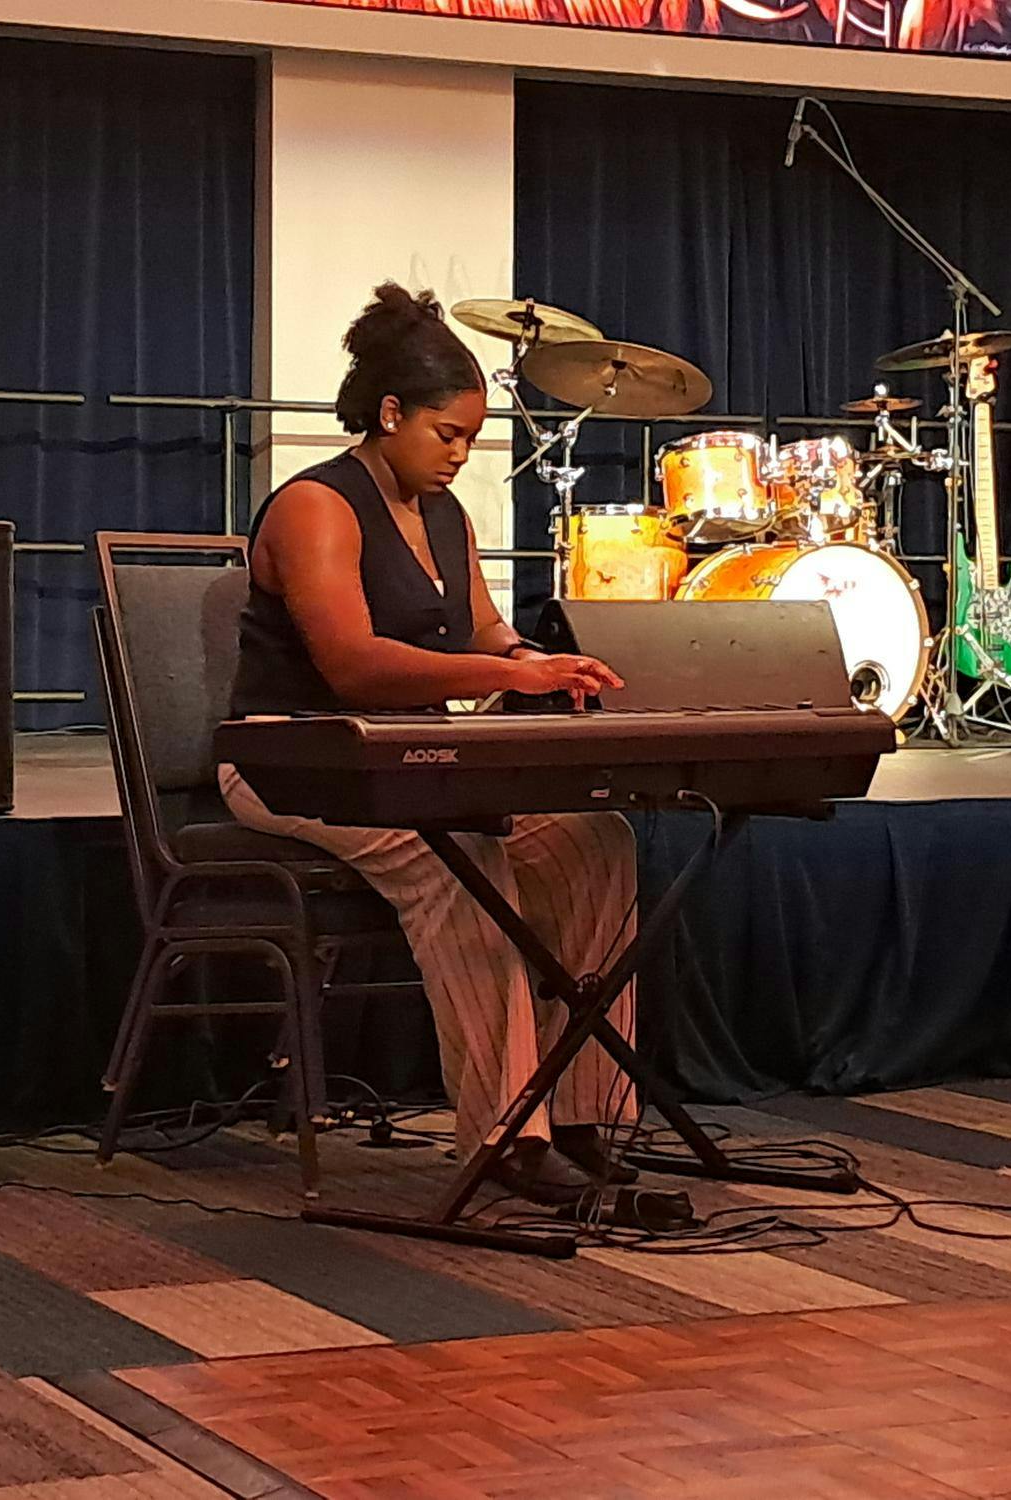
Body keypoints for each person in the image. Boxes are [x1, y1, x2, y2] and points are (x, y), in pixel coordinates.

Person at [220, 282, 638, 1206]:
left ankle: (587, 1113)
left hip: (404, 763)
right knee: (462, 856)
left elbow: (483, 627)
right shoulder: (316, 507)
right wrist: (508, 681)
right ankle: (506, 1140)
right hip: (291, 760)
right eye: (446, 436)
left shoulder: (444, 515)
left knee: (594, 842)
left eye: (471, 440)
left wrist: (540, 661)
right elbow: (355, 665)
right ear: (390, 413)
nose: (460, 455)